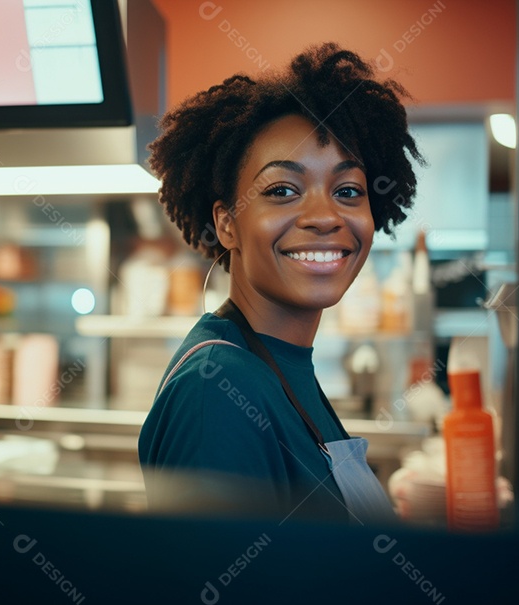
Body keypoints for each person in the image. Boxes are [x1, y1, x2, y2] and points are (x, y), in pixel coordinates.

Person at [138, 43, 423, 523]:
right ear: (227, 225)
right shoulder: (218, 388)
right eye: (282, 191)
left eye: (347, 190)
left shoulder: (284, 365)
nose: (323, 216)